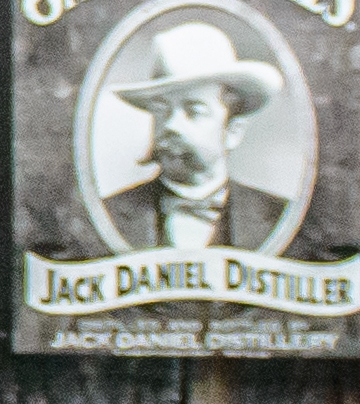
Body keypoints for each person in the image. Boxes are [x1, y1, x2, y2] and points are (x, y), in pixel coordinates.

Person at [95, 20, 297, 255]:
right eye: (162, 110)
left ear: (233, 132)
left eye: (194, 111)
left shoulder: (280, 218)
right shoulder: (107, 215)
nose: (171, 126)